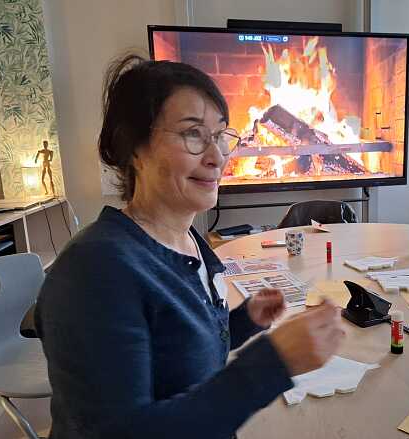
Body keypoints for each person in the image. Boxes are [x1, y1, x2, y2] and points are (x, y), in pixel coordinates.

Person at [35, 55, 344, 439]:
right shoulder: (94, 271)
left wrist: (243, 320)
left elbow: (176, 351)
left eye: (220, 135)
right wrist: (273, 364)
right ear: (134, 148)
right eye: (193, 134)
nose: (217, 157)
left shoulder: (188, 241)